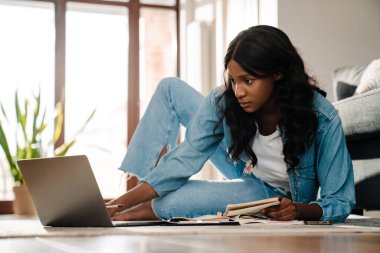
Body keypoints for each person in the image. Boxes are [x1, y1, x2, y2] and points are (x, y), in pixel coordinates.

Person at [107, 25, 355, 223]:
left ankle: (133, 207)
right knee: (170, 88)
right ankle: (129, 197)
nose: (238, 92)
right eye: (234, 81)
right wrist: (120, 201)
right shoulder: (225, 99)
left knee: (166, 204)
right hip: (243, 164)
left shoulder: (322, 118)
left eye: (248, 81)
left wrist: (297, 210)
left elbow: (340, 201)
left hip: (274, 193)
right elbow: (186, 158)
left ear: (278, 73)